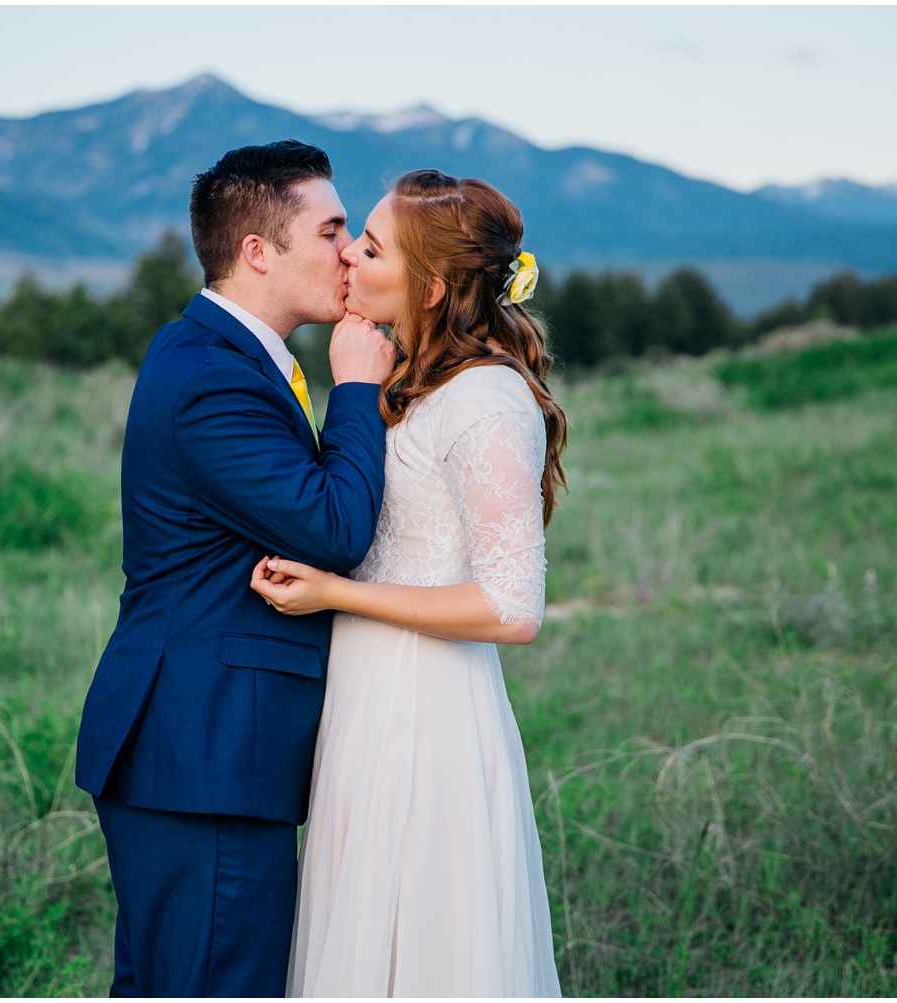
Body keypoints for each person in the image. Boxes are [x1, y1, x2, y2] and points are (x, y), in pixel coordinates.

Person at [73, 140, 395, 997]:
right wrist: (358, 389)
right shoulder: (211, 376)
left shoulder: (232, 358)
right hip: (202, 751)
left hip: (204, 750)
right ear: (258, 250)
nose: (350, 251)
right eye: (331, 230)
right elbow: (331, 526)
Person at [250, 170, 568, 997]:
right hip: (366, 708)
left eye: (372, 245)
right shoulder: (404, 383)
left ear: (429, 287)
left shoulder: (487, 400)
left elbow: (513, 606)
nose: (348, 254)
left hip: (429, 718)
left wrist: (337, 594)